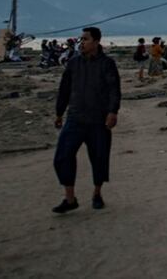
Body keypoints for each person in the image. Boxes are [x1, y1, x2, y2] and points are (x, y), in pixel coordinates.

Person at [52, 26, 121, 214]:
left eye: (86, 39)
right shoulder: (73, 64)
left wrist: (112, 112)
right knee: (63, 156)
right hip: (75, 118)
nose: (82, 43)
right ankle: (70, 198)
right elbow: (64, 89)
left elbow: (114, 89)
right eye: (81, 39)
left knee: (99, 158)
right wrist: (59, 112)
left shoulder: (107, 64)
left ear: (97, 42)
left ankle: (97, 193)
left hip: (99, 120)